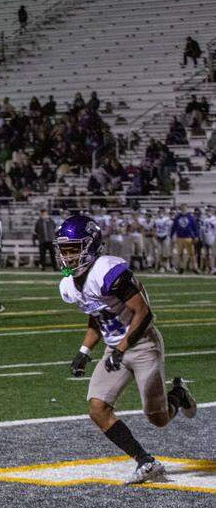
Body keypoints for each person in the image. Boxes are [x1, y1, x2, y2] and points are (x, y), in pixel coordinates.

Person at [56, 215, 197, 484]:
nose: (68, 255)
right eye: (64, 249)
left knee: (158, 418)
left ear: (91, 246)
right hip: (115, 349)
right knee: (97, 408)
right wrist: (84, 351)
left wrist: (121, 348)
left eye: (74, 248)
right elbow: (97, 315)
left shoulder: (107, 270)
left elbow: (144, 313)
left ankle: (178, 395)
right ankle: (146, 462)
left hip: (143, 344)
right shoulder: (69, 284)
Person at [171, 207, 198, 273]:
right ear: (181, 210)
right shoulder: (177, 217)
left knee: (192, 254)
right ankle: (181, 267)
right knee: (180, 254)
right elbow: (174, 227)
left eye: (185, 209)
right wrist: (171, 235)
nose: (184, 210)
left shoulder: (190, 217)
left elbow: (194, 227)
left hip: (188, 237)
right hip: (179, 237)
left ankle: (194, 268)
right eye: (182, 209)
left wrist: (196, 236)